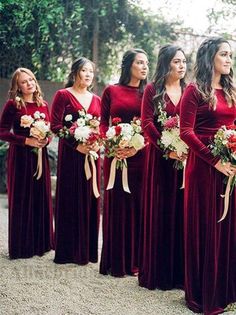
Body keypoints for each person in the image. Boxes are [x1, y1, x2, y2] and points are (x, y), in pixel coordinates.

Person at [180, 37, 236, 314]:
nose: (228, 59)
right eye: (224, 54)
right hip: (204, 168)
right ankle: (203, 293)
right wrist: (215, 160)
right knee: (207, 225)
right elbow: (185, 132)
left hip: (230, 167)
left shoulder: (230, 90)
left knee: (228, 227)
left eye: (230, 55)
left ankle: (226, 288)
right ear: (210, 57)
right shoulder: (194, 90)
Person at [138, 44, 187, 290]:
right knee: (161, 211)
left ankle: (180, 274)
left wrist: (185, 149)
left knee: (183, 212)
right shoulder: (152, 90)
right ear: (166, 63)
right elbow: (147, 123)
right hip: (160, 160)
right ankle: (158, 273)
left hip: (187, 161)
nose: (181, 66)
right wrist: (166, 148)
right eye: (177, 61)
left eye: (184, 61)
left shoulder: (190, 90)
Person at [99, 48, 149, 277]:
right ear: (129, 65)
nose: (144, 66)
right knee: (117, 206)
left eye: (146, 63)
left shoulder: (149, 92)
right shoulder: (111, 90)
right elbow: (102, 123)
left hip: (140, 158)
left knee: (139, 206)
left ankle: (138, 262)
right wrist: (111, 145)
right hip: (115, 156)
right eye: (140, 62)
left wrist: (136, 146)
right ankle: (115, 261)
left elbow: (151, 126)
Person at [51, 57, 101, 265]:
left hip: (91, 155)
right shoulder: (63, 95)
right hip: (71, 156)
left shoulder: (97, 100)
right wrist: (76, 144)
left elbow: (102, 127)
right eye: (84, 70)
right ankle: (67, 251)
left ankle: (87, 251)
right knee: (70, 197)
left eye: (91, 71)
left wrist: (96, 143)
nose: (88, 74)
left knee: (90, 198)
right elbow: (55, 125)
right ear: (75, 73)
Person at [0, 68, 54, 259]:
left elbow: (49, 131)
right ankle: (22, 246)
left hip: (40, 156)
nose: (29, 83)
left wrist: (45, 140)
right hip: (21, 158)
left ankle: (41, 243)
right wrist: (26, 141)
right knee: (23, 198)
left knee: (40, 196)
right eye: (24, 81)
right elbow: (2, 131)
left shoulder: (43, 104)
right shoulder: (12, 105)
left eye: (31, 79)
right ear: (17, 86)